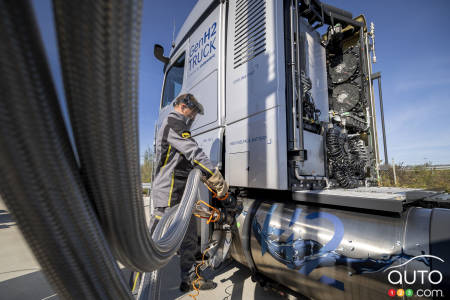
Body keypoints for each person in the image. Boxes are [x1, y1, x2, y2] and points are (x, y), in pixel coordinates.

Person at [151, 93, 228, 292]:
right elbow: (193, 151)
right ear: (185, 107)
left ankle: (190, 278)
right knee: (152, 246)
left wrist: (202, 175)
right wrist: (215, 177)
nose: (193, 117)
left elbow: (185, 160)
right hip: (168, 194)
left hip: (182, 193)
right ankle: (135, 289)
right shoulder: (173, 122)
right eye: (193, 113)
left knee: (190, 239)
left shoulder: (178, 125)